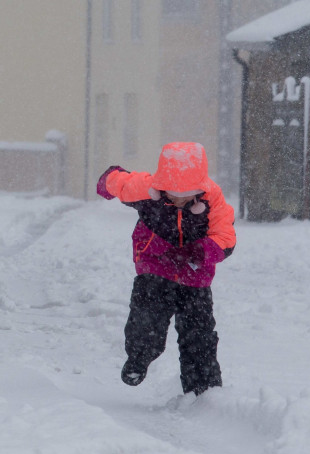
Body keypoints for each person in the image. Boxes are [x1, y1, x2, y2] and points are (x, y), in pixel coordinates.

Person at [96, 142, 235, 395]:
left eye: (187, 195)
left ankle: (203, 389)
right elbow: (121, 183)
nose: (180, 200)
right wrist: (107, 181)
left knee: (199, 334)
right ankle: (139, 357)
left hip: (195, 274)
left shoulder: (213, 197)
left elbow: (225, 235)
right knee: (147, 318)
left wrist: (199, 251)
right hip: (156, 266)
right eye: (173, 194)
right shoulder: (147, 189)